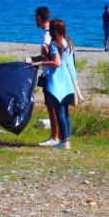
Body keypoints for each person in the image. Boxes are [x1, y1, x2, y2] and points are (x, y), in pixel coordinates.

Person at [38, 19, 79, 149]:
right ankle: (66, 139)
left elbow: (56, 63)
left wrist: (41, 63)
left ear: (53, 30)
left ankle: (64, 141)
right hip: (68, 81)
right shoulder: (68, 42)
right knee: (65, 112)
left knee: (59, 111)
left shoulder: (55, 43)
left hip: (57, 82)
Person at [27, 6, 60, 147]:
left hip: (49, 74)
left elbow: (45, 53)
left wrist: (32, 60)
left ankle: (54, 136)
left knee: (51, 106)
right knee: (56, 106)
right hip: (53, 73)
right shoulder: (52, 32)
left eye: (36, 18)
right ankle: (58, 135)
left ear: (39, 17)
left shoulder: (47, 34)